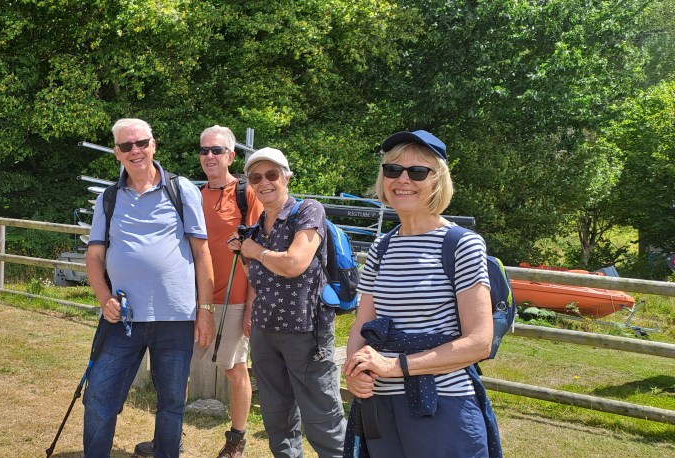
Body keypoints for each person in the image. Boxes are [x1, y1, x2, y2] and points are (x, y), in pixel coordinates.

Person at [342, 130, 501, 457]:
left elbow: (479, 342)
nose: (403, 179)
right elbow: (362, 325)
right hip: (381, 405)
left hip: (443, 405)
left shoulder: (461, 244)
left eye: (417, 171)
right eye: (393, 169)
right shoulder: (381, 248)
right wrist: (354, 372)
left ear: (437, 180)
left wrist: (394, 366)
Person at [83, 118, 215, 458]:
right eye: (126, 146)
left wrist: (205, 310)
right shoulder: (109, 198)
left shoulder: (181, 189)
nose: (135, 151)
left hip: (176, 318)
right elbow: (94, 256)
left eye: (141, 143)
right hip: (122, 318)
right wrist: (104, 298)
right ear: (117, 153)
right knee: (98, 394)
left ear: (153, 145)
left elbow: (202, 253)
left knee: (171, 401)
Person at [135, 125, 262, 458]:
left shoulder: (247, 194)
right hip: (190, 300)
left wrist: (252, 306)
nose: (209, 156)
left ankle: (236, 441)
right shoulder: (190, 194)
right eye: (204, 150)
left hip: (233, 299)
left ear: (231, 156)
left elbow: (259, 253)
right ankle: (169, 438)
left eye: (217, 150)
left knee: (234, 369)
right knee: (177, 371)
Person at [226, 147, 347, 458]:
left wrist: (255, 252)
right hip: (265, 331)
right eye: (255, 178)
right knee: (276, 416)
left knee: (321, 417)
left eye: (271, 174)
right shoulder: (255, 229)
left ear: (286, 177)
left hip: (305, 330)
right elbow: (258, 279)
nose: (263, 182)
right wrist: (244, 253)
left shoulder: (308, 211)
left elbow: (295, 264)